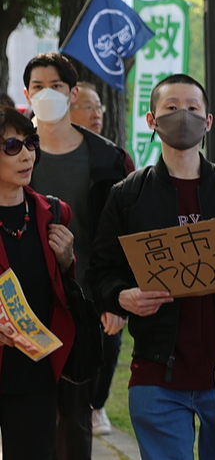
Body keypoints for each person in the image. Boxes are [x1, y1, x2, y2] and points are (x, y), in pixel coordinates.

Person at [88, 74, 215, 460]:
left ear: (208, 121)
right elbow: (100, 272)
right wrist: (123, 296)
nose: (181, 117)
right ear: (151, 121)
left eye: (191, 108)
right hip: (157, 375)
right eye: (170, 109)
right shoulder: (128, 196)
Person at [23, 53, 134, 458]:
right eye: (38, 86)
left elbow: (124, 234)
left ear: (72, 94)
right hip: (19, 308)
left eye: (56, 86)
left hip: (81, 307)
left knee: (74, 420)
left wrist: (114, 298)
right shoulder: (11, 151)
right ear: (26, 94)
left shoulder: (109, 160)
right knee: (25, 421)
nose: (46, 93)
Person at [0, 106, 76, 460]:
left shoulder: (53, 213)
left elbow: (60, 294)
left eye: (30, 142)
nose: (27, 154)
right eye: (12, 146)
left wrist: (66, 261)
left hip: (35, 375)